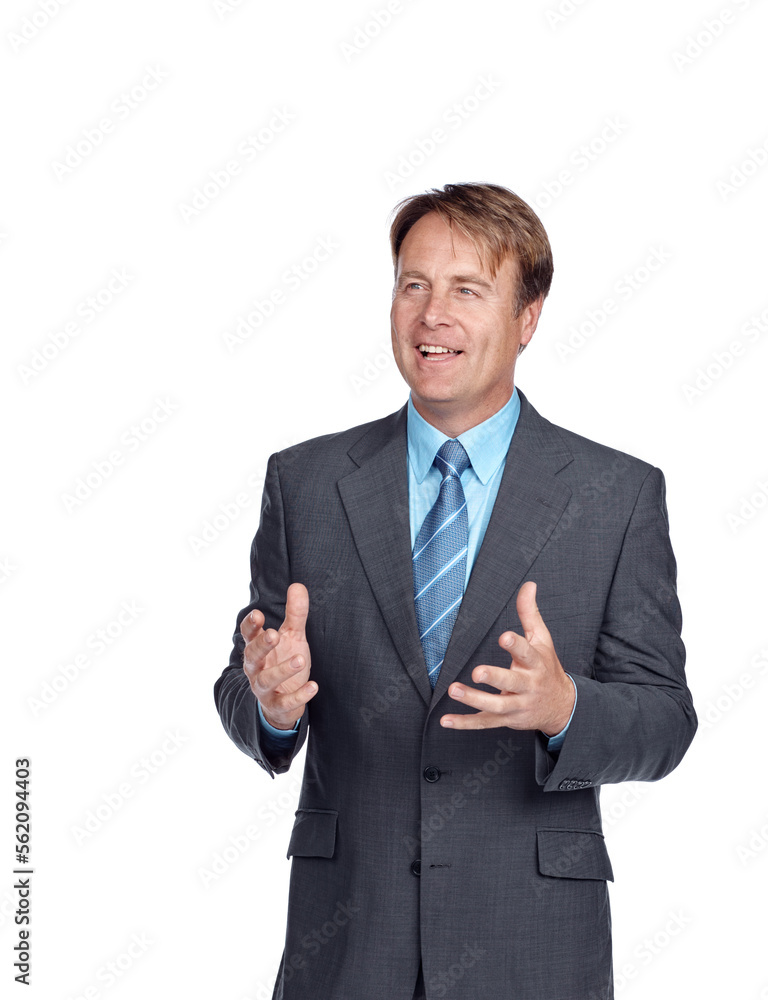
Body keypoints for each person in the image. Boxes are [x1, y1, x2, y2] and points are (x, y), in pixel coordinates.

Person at [213, 182, 697, 1000]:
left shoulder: (616, 495)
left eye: (467, 290)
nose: (432, 315)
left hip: (532, 944)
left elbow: (666, 720)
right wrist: (268, 703)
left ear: (527, 317)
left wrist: (565, 709)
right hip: (347, 943)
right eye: (413, 285)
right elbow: (243, 684)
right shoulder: (306, 481)